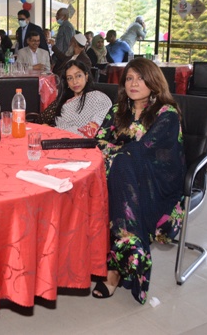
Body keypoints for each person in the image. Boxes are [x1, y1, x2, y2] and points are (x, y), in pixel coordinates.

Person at [93, 58, 185, 303]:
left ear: (153, 82)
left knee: (123, 165)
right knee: (109, 171)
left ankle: (115, 270)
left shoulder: (167, 113)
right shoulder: (118, 110)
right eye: (129, 78)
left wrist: (116, 153)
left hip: (156, 183)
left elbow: (145, 151)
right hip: (120, 178)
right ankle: (124, 252)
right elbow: (98, 141)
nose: (134, 84)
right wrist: (119, 154)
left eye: (141, 78)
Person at [35, 60, 111, 137]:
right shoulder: (64, 100)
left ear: (86, 76)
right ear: (67, 82)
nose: (75, 82)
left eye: (78, 76)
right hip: (56, 137)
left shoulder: (98, 97)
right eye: (70, 78)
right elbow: (40, 120)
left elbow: (91, 130)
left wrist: (53, 131)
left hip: (79, 141)